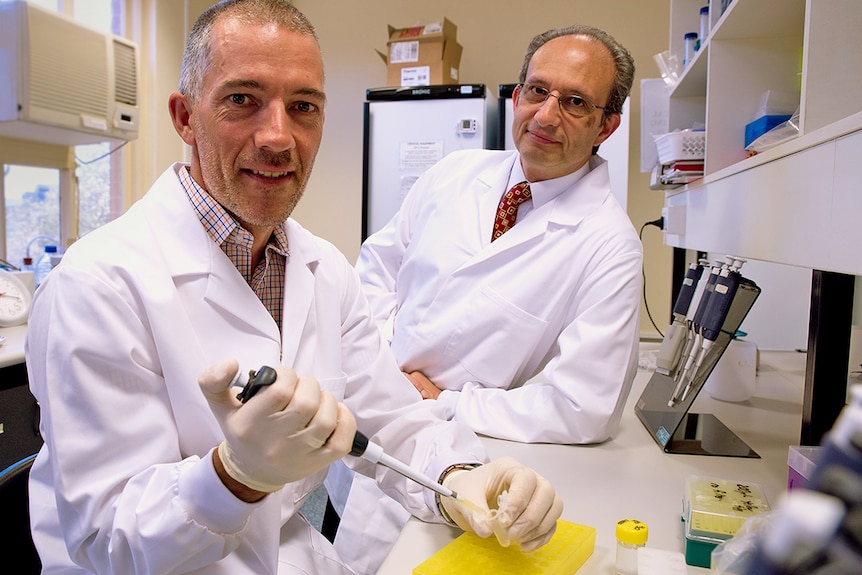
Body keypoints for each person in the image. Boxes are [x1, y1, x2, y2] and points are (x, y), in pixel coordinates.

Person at [24, 2, 563, 574]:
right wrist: (235, 476)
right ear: (185, 117)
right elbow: (110, 539)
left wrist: (464, 479)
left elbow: (395, 423)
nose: (279, 137)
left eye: (303, 107)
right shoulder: (95, 286)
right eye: (242, 100)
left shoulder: (323, 269)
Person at [331, 25, 642, 574]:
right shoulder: (454, 173)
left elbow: (581, 407)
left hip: (472, 471)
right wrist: (382, 363)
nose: (546, 116)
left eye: (575, 103)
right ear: (517, 94)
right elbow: (376, 271)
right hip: (372, 434)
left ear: (606, 125)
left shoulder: (610, 245)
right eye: (537, 90)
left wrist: (443, 401)